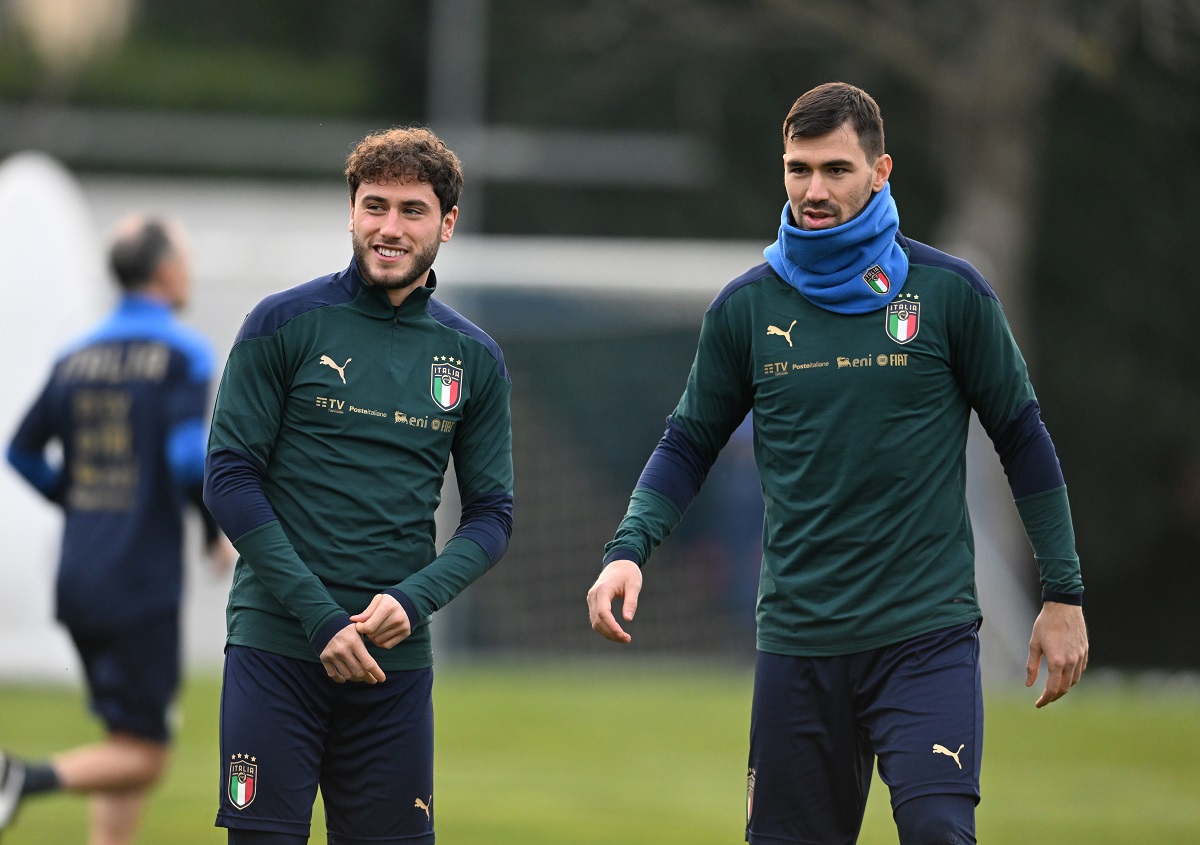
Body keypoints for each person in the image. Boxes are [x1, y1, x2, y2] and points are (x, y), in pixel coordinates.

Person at [586, 82, 1088, 845]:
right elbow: (688, 441)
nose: (813, 190)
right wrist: (629, 549)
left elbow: (1024, 438)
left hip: (925, 635)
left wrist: (1063, 592)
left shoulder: (949, 293)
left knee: (938, 830)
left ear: (881, 170)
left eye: (835, 170)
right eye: (798, 169)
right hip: (799, 640)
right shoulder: (746, 309)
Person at [201, 126, 513, 845]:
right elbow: (228, 477)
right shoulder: (282, 324)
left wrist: (414, 597)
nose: (389, 228)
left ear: (447, 223)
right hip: (279, 646)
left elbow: (492, 516)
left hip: (393, 665)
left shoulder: (474, 357)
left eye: (411, 210)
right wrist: (320, 617)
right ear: (351, 212)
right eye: (375, 206)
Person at [1, 214, 232, 845]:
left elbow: (18, 453)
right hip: (139, 582)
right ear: (165, 271)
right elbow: (188, 457)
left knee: (123, 739)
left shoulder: (74, 357)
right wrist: (215, 529)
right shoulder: (182, 354)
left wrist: (77, 504)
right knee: (147, 755)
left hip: (77, 574)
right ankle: (21, 779)